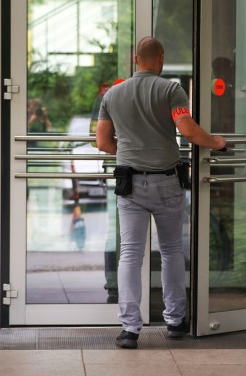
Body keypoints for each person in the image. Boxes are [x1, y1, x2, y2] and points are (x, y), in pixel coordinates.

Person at [96, 36, 227, 349]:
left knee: (129, 254)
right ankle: (174, 321)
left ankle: (129, 329)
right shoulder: (171, 89)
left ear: (134, 59)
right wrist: (217, 143)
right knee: (170, 251)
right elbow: (188, 130)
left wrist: (129, 152)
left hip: (129, 183)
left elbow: (103, 143)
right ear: (161, 58)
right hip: (167, 181)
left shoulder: (113, 94)